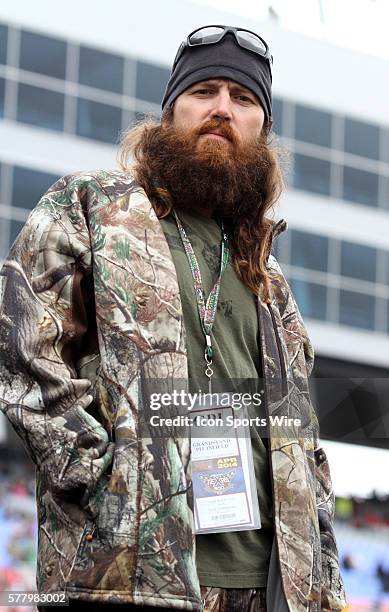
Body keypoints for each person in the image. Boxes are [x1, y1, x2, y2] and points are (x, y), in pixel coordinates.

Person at [0, 24, 347, 612]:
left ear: (261, 128)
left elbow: (303, 442)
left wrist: (327, 581)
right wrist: (100, 478)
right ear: (169, 112)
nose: (222, 110)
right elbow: (23, 346)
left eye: (243, 99)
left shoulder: (267, 275)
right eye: (204, 91)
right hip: (129, 573)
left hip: (272, 587)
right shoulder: (91, 208)